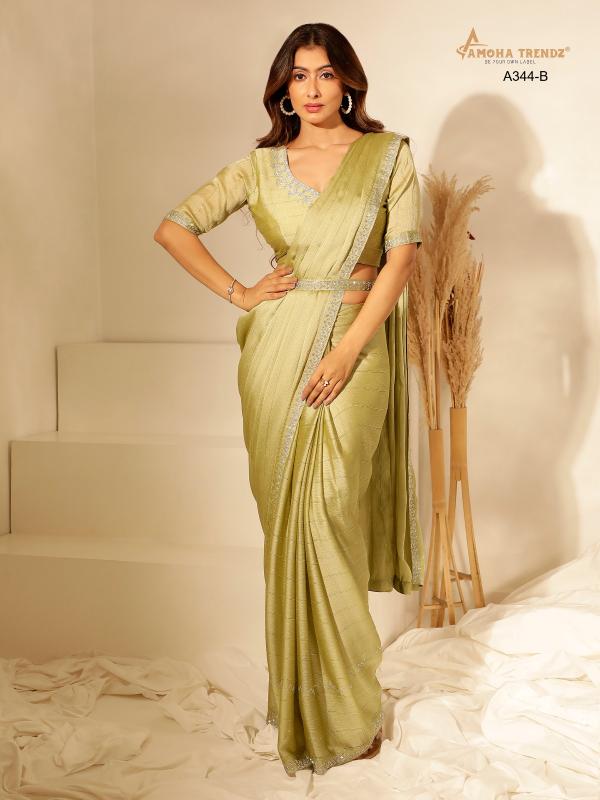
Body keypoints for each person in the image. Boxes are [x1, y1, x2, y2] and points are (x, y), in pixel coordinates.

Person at [154, 21, 424, 777]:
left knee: (332, 508)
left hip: (355, 346)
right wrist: (240, 292)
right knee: (288, 524)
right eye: (298, 76)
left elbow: (400, 261)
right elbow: (173, 229)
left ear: (349, 83)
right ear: (281, 89)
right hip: (276, 352)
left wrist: (347, 349)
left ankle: (348, 705)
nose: (311, 88)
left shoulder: (388, 155)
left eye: (325, 74)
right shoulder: (260, 166)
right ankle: (304, 703)